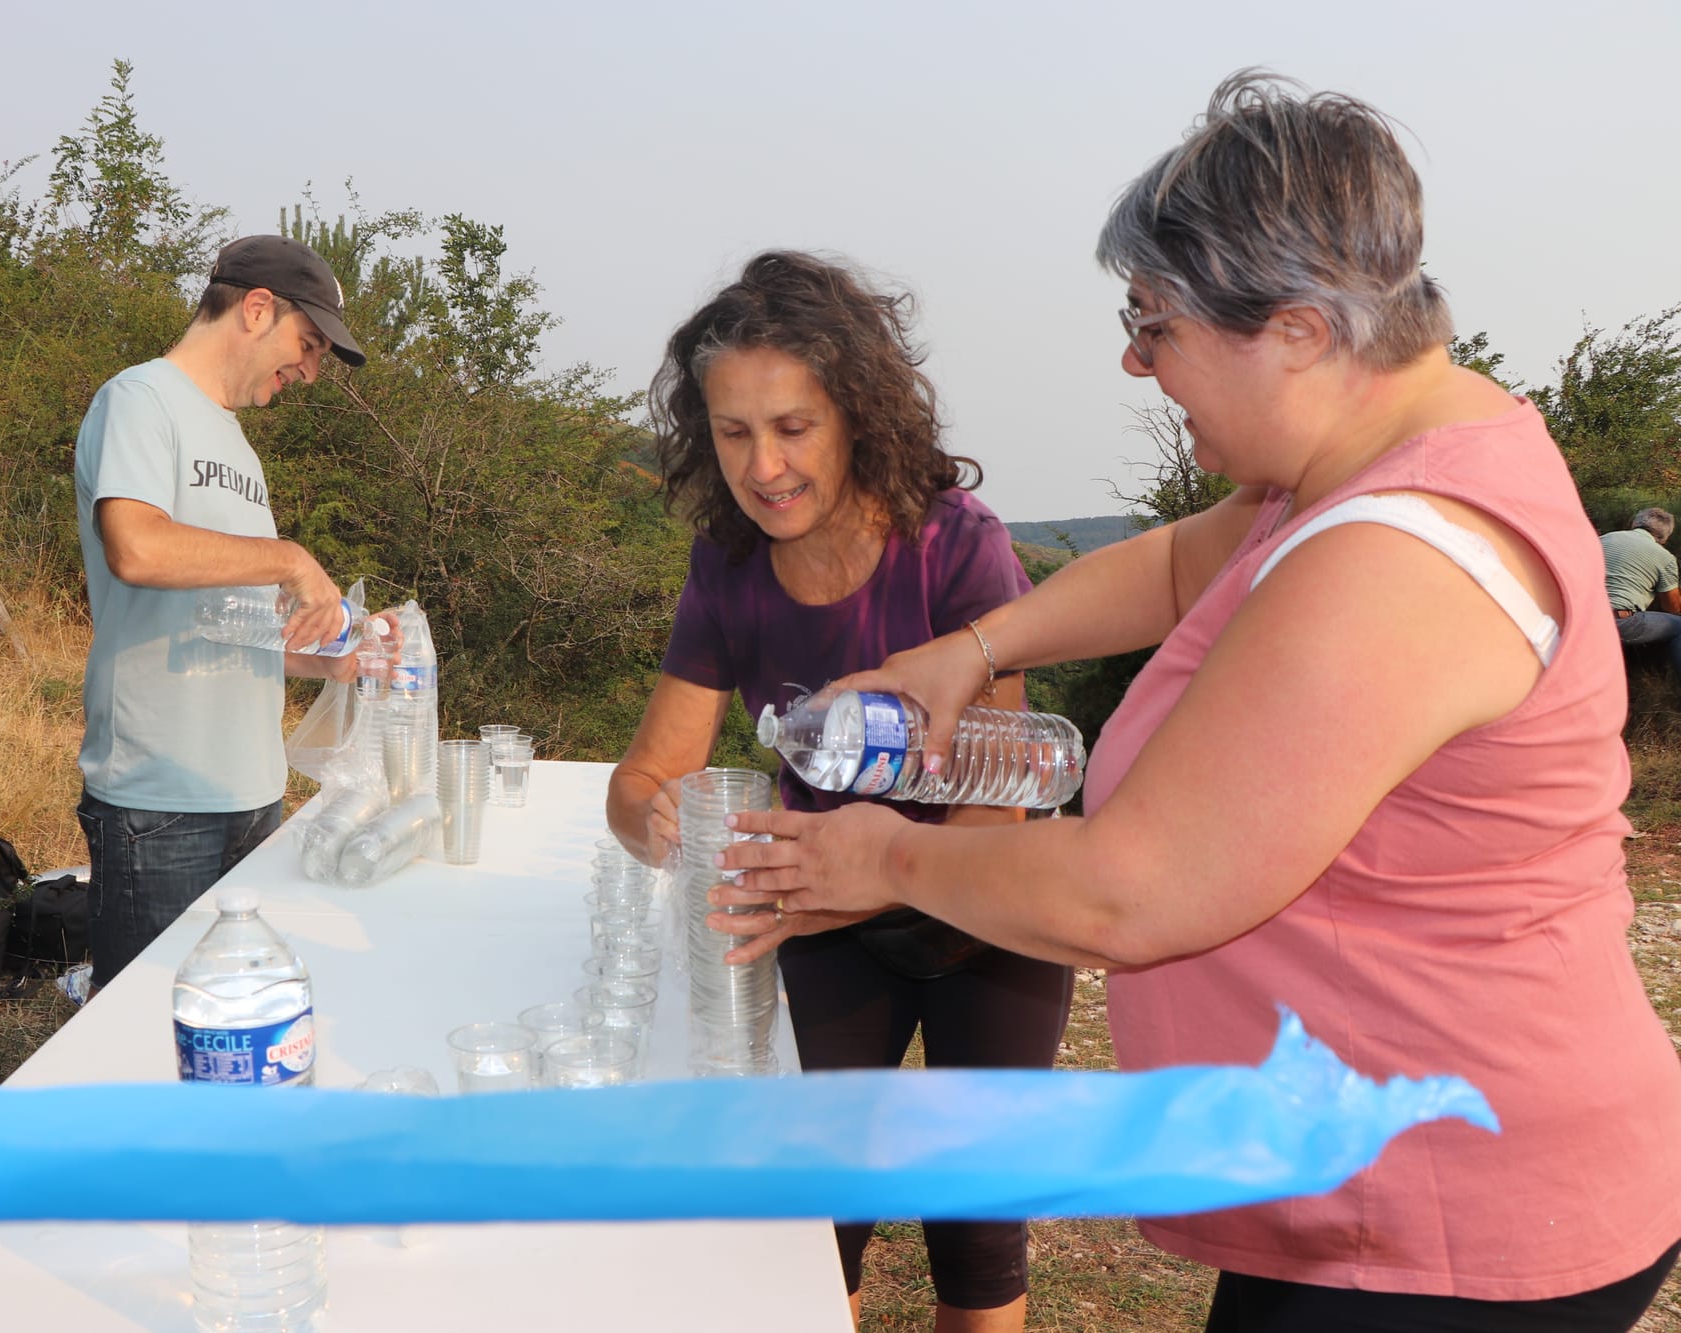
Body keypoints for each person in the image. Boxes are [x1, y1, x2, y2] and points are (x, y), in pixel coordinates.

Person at [715, 74, 1681, 1333]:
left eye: (1152, 320)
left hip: (1451, 1212)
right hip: (1372, 1177)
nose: (1132, 356)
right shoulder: (1358, 467)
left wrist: (882, 854)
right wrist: (972, 646)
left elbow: (1132, 889)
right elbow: (1181, 562)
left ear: (1292, 330)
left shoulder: (1403, 556)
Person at [606, 251, 1073, 1333]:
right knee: (815, 1228)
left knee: (974, 1238)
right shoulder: (724, 567)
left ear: (855, 413)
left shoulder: (956, 548)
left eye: (791, 427)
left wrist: (868, 879)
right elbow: (644, 776)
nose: (762, 466)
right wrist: (653, 817)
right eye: (731, 432)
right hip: (823, 921)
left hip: (986, 913)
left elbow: (994, 807)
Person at [75, 234, 369, 988]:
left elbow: (229, 618)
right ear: (257, 309)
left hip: (253, 792)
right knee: (149, 1034)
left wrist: (324, 655)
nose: (306, 372)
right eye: (306, 345)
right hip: (159, 800)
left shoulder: (239, 447)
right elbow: (135, 548)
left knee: (230, 1018)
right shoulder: (140, 399)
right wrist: (292, 559)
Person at [1600, 507, 1681, 680]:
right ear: (1665, 537)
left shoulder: (1604, 539)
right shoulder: (1664, 557)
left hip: (1580, 616)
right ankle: (1660, 684)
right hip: (1619, 622)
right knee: (1678, 626)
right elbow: (1672, 607)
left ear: (1634, 524)